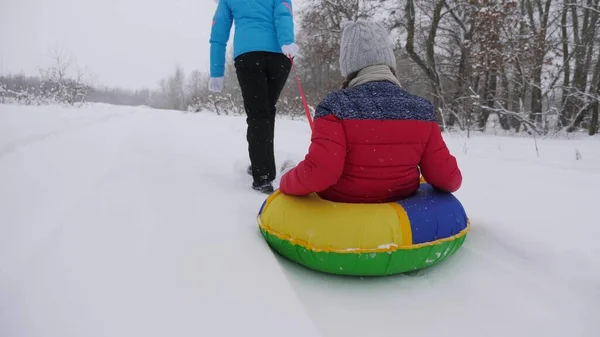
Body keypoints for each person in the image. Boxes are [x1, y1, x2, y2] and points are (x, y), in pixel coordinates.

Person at [279, 20, 462, 203]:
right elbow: (448, 179)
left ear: (348, 65)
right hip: (400, 208)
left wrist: (285, 181)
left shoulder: (335, 106)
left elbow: (320, 173)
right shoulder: (422, 110)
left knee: (291, 171)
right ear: (388, 62)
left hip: (343, 207)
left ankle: (287, 170)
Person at [208, 0, 299, 193]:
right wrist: (286, 41)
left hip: (249, 56)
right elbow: (283, 13)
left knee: (259, 114)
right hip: (279, 58)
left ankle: (262, 174)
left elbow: (219, 31)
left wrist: (216, 70)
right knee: (266, 112)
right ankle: (262, 165)